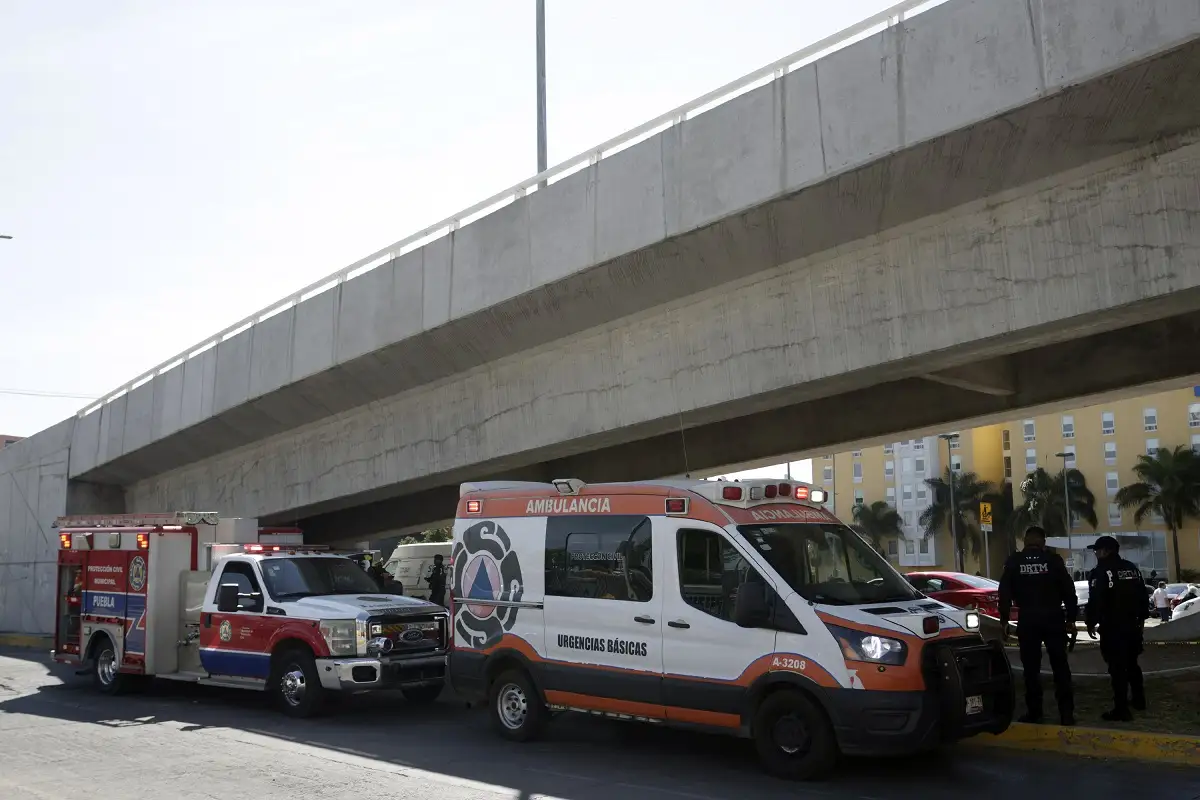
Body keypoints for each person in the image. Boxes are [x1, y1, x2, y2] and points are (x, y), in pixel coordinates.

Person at [998, 525, 1076, 725]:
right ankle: (1066, 713)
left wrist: (1004, 619)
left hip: (1028, 618)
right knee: (1060, 667)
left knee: (1031, 669)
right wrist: (1071, 619)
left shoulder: (1014, 562)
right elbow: (1069, 590)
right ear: (1043, 542)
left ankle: (1035, 712)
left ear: (1025, 541)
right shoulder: (1053, 561)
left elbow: (1004, 593)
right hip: (1053, 617)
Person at [1085, 536, 1149, 721]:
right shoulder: (1131, 568)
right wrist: (1142, 619)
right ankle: (1139, 700)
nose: (1095, 554)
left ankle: (1121, 709)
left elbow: (1096, 600)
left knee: (1117, 668)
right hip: (1132, 625)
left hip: (1113, 626)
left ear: (1106, 551)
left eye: (1097, 550)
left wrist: (1091, 621)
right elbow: (1142, 595)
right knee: (1132, 664)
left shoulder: (1100, 571)